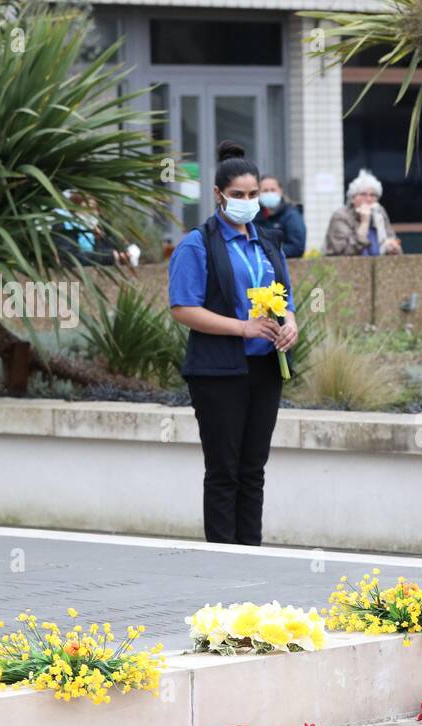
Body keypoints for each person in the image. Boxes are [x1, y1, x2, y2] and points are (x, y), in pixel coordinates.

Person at [168, 140, 298, 546]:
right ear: (219, 195)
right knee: (224, 472)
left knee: (253, 469)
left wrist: (290, 323)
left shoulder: (268, 241)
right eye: (238, 195)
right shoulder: (198, 243)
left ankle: (252, 556)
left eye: (254, 194)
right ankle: (224, 560)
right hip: (219, 372)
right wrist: (242, 327)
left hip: (265, 369)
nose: (247, 202)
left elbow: (286, 299)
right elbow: (182, 308)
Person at [325, 169, 402, 256]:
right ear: (352, 199)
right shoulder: (341, 216)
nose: (369, 199)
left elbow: (392, 239)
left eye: (373, 195)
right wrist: (365, 222)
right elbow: (345, 252)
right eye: (363, 194)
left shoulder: (379, 213)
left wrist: (392, 247)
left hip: (378, 266)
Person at [253, 175, 306, 258]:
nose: (269, 193)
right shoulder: (255, 216)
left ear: (280, 191)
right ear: (258, 194)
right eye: (265, 191)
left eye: (273, 190)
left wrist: (266, 250)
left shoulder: (291, 215)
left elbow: (297, 248)